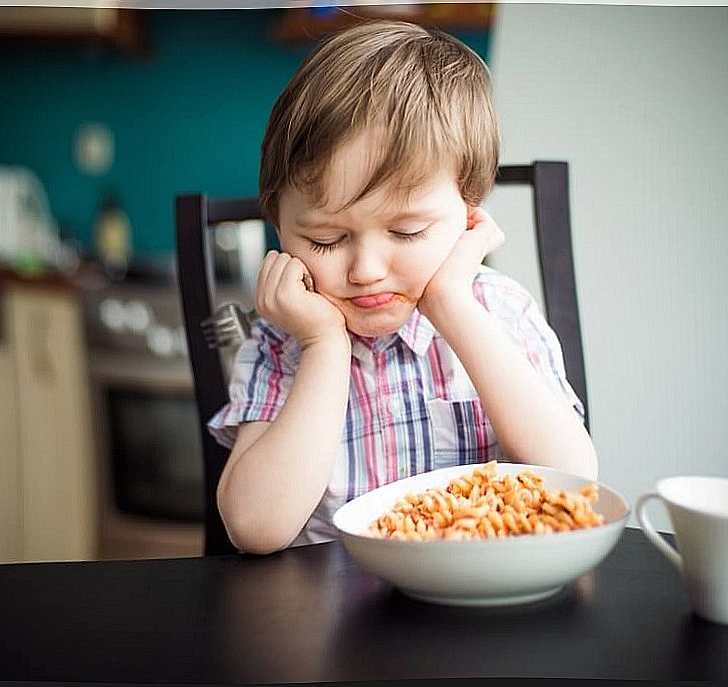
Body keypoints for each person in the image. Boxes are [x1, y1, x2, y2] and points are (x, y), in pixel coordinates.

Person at [208, 19, 597, 555]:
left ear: (469, 214)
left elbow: (573, 478)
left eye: (406, 231)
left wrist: (450, 303)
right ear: (279, 228)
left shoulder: (500, 312)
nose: (366, 269)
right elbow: (255, 528)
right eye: (325, 239)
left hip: (481, 604)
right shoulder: (282, 341)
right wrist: (323, 347)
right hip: (332, 617)